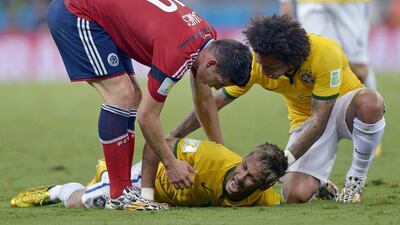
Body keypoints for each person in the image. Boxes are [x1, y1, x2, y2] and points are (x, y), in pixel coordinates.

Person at [47, 0, 252, 209]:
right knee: (122, 95)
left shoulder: (207, 38)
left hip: (103, 18)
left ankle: (122, 187)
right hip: (76, 12)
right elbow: (146, 117)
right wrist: (171, 164)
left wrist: (221, 152)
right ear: (211, 64)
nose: (217, 88)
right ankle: (119, 195)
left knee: (133, 96)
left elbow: (204, 100)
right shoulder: (177, 53)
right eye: (221, 81)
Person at [169, 15, 386, 203]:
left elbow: (321, 118)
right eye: (261, 64)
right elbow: (212, 105)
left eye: (270, 67)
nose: (262, 71)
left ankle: (355, 180)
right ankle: (320, 183)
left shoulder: (325, 53)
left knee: (371, 103)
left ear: (290, 59)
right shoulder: (258, 64)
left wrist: (284, 161)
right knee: (294, 195)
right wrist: (172, 137)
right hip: (306, 120)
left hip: (342, 108)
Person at [10, 138, 288, 210]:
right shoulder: (211, 156)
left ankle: (106, 176)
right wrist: (146, 196)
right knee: (83, 202)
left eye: (251, 178)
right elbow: (159, 145)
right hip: (145, 181)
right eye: (244, 167)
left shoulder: (263, 198)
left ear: (265, 185)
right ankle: (56, 191)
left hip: (163, 201)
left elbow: (290, 200)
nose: (241, 177)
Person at [279, 0, 383, 156]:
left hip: (350, 4)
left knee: (358, 69)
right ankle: (311, 132)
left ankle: (371, 125)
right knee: (311, 57)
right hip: (310, 3)